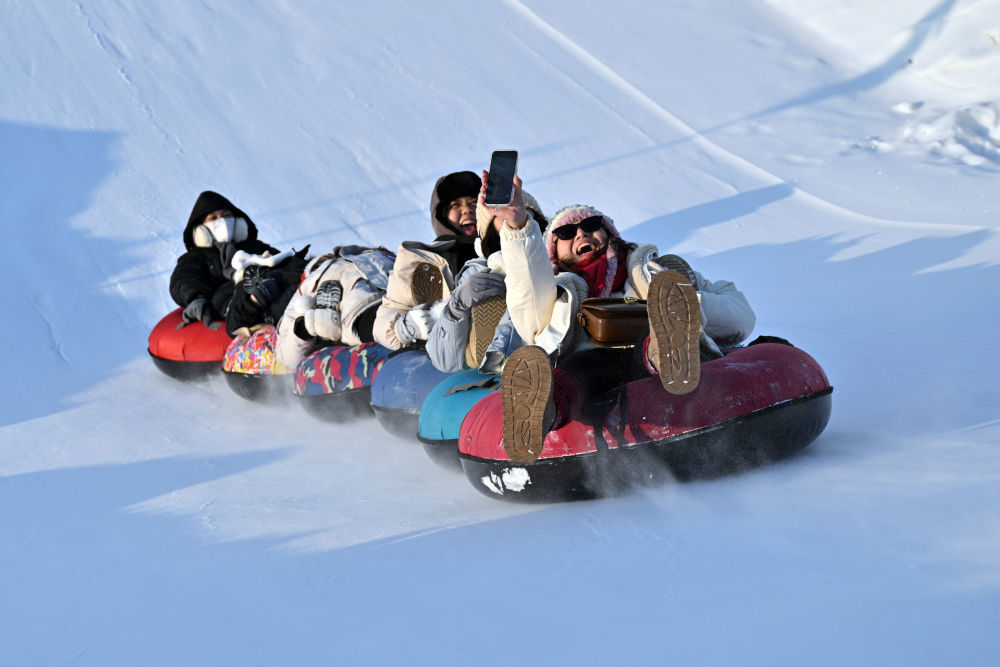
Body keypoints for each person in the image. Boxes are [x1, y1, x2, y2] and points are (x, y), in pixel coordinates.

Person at [491, 175, 757, 462]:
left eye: (591, 225)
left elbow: (741, 317)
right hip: (590, 362)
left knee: (655, 336)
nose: (581, 234)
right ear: (553, 250)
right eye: (567, 232)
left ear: (609, 233)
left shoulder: (654, 271)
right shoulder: (553, 290)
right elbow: (527, 289)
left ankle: (669, 351)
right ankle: (540, 410)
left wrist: (686, 303)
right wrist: (518, 228)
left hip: (652, 356)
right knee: (577, 371)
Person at [425, 182, 548, 375]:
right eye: (502, 213)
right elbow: (444, 361)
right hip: (482, 375)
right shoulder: (476, 273)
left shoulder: (557, 264)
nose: (515, 214)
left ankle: (500, 353)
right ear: (489, 227)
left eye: (525, 211)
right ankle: (483, 350)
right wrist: (456, 308)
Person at [372, 171, 484, 351]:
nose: (467, 210)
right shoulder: (417, 259)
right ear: (441, 214)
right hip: (441, 352)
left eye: (474, 203)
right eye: (456, 205)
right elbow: (384, 320)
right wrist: (405, 327)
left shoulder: (501, 248)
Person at [273, 245, 396, 370]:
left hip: (359, 315)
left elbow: (287, 357)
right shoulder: (383, 256)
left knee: (372, 325)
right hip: (370, 309)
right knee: (378, 325)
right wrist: (306, 327)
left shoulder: (312, 280)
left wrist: (305, 328)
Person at [169, 190, 278, 328]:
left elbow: (281, 260)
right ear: (202, 228)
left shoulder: (254, 247)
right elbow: (184, 279)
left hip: (268, 288)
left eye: (226, 216)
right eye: (213, 219)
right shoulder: (196, 257)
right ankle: (253, 307)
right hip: (229, 300)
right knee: (220, 296)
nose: (222, 221)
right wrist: (196, 297)